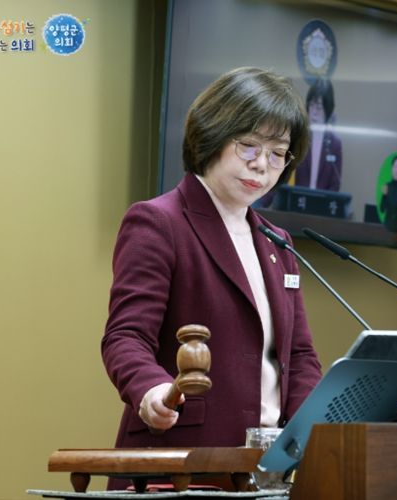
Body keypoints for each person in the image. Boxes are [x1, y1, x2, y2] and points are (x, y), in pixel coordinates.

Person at [101, 67, 323, 489]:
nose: (262, 164)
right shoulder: (158, 222)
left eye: (278, 153)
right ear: (212, 135)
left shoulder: (277, 242)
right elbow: (125, 336)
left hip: (267, 469)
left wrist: (308, 431)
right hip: (181, 461)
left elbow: (299, 356)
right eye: (248, 145)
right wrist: (151, 391)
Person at [293, 78, 342, 192]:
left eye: (319, 107)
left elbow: (336, 184)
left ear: (327, 110)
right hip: (296, 199)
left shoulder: (335, 144)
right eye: (311, 105)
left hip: (322, 202)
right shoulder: (299, 137)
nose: (314, 112)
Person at [379, 155, 397, 232]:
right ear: (392, 169)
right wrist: (384, 196)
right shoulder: (387, 186)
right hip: (386, 228)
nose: (396, 170)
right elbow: (382, 209)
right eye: (394, 167)